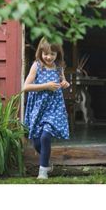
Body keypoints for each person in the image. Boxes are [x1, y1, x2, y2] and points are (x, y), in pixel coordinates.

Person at [22, 37, 70, 179]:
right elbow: (26, 87)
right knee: (37, 141)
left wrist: (64, 83)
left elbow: (62, 80)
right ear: (40, 52)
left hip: (54, 108)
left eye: (53, 54)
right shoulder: (37, 66)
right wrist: (46, 86)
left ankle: (42, 172)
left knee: (45, 137)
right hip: (38, 107)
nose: (49, 57)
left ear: (57, 55)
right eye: (46, 54)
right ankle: (47, 163)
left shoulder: (59, 67)